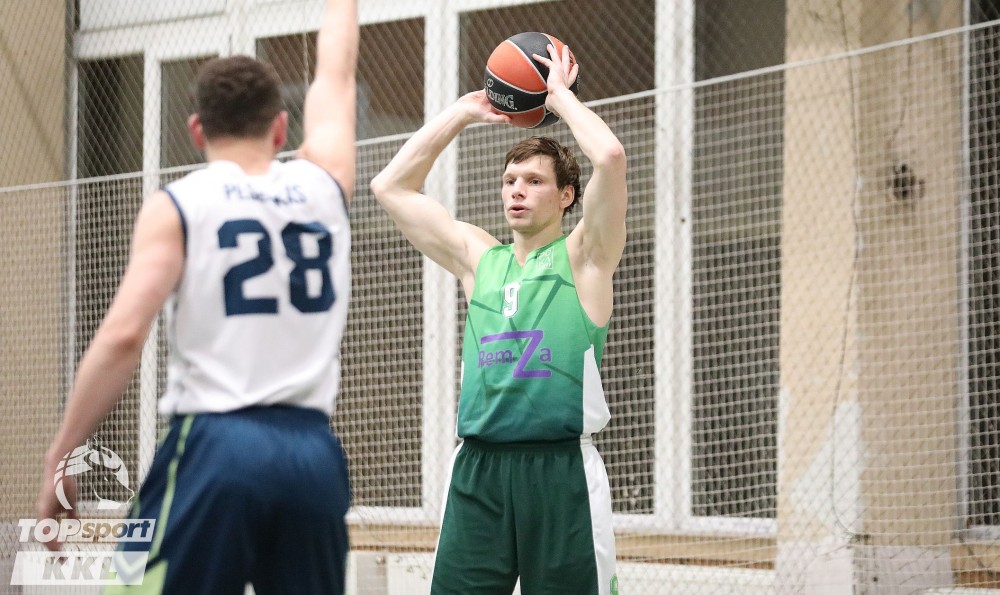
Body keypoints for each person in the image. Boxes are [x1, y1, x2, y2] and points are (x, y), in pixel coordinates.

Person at [35, 1, 358, 593]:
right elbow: (336, 73)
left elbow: (125, 334)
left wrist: (63, 451)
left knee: (134, 584)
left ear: (196, 130)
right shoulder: (325, 184)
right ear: (280, 128)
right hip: (313, 456)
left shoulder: (181, 203)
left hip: (214, 448)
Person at [371, 43, 627, 595]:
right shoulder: (478, 259)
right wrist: (463, 112)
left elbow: (608, 157)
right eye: (510, 180)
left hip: (559, 471)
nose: (517, 190)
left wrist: (558, 98)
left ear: (566, 195)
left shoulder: (586, 258)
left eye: (534, 181)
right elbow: (389, 186)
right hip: (478, 469)